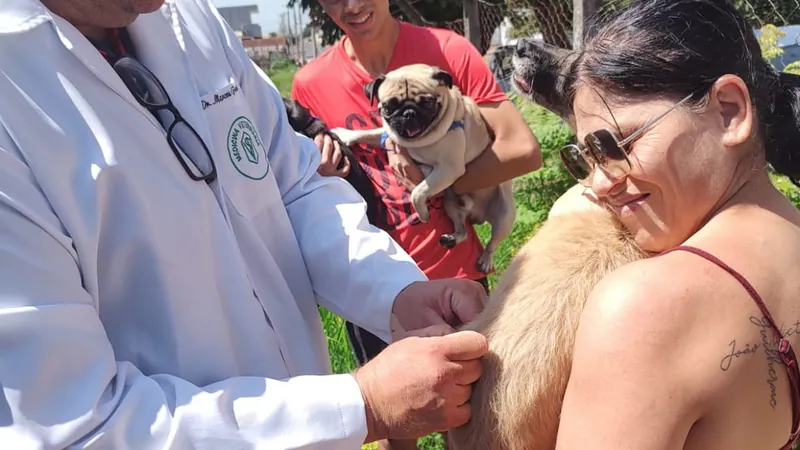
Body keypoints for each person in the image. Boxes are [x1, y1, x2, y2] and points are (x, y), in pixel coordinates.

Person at [0, 0, 493, 448]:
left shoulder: (188, 19)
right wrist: (358, 406)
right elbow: (72, 425)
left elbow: (291, 185)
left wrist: (397, 294)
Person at [521, 0, 800, 448]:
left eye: (615, 144)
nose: (598, 183)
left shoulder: (644, 308)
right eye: (586, 157)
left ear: (730, 111)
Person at [290, 5, 540, 440]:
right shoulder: (311, 83)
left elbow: (523, 150)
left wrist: (438, 181)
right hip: (369, 282)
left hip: (453, 275)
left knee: (473, 419)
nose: (351, 6)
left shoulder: (447, 51)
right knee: (394, 425)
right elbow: (303, 183)